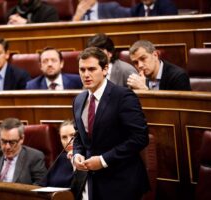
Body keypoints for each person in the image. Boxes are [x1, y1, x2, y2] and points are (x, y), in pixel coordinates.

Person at [72, 47, 150, 200]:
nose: (86, 74)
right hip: (91, 182)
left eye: (92, 69)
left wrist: (103, 160)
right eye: (82, 69)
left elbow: (140, 137)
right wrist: (77, 154)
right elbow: (79, 136)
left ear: (105, 69)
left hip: (122, 182)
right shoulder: (78, 100)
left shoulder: (123, 96)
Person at [0, 118, 47, 184]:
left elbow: (40, 186)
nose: (7, 147)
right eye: (3, 141)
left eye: (12, 142)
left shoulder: (34, 157)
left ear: (22, 139)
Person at [127, 40, 191, 91]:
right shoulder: (138, 80)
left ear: (155, 55)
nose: (140, 65)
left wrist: (145, 90)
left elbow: (176, 106)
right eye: (135, 62)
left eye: (143, 59)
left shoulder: (178, 76)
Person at [41, 120, 75, 187]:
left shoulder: (87, 158)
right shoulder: (61, 158)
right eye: (64, 137)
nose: (69, 141)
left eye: (73, 136)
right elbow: (43, 184)